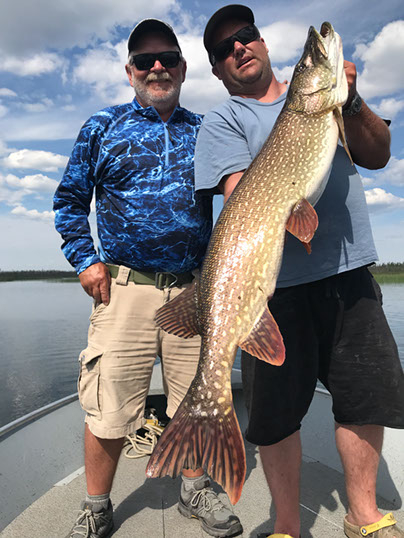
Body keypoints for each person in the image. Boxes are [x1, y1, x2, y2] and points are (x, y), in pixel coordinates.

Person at [194, 5, 404, 538]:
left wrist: (350, 100)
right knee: (276, 418)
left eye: (245, 36)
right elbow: (240, 196)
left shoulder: (325, 105)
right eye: (224, 49)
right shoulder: (224, 120)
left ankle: (364, 516)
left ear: (262, 43)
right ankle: (288, 526)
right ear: (218, 70)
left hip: (348, 276)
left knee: (362, 398)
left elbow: (378, 153)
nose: (238, 47)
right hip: (272, 292)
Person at [54, 18, 242, 538]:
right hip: (124, 289)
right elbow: (70, 201)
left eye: (167, 58)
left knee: (197, 400)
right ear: (130, 70)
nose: (156, 66)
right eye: (144, 60)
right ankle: (96, 506)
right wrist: (85, 260)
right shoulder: (102, 126)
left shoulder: (207, 128)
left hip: (193, 288)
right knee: (108, 408)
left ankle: (195, 488)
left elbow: (240, 191)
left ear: (182, 68)